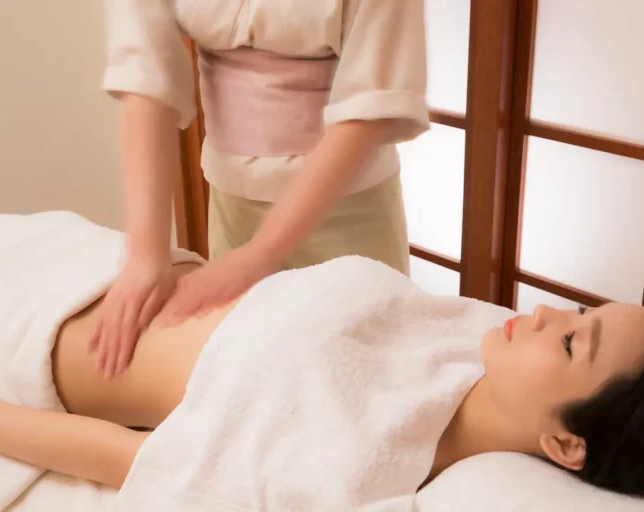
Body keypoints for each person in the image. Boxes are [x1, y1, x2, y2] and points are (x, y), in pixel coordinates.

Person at [0, 212, 644, 503]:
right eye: (579, 311)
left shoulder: (361, 463)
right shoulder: (470, 335)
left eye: (573, 341)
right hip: (95, 258)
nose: (539, 314)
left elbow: (130, 461)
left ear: (566, 443)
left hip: (41, 333)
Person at [94, 0, 430, 380]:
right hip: (233, 201)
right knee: (253, 372)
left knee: (364, 373)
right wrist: (145, 256)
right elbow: (144, 75)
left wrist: (261, 254)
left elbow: (372, 102)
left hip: (349, 207)